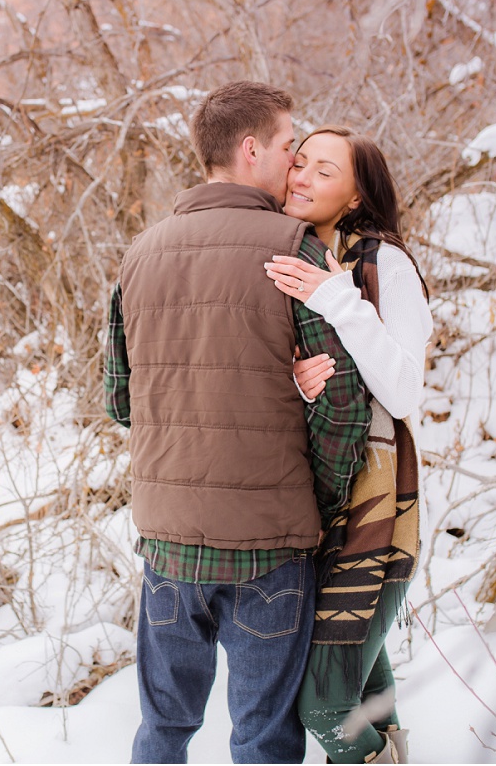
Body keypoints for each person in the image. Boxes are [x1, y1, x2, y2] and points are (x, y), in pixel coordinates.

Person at [104, 82, 372, 764]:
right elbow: (341, 400)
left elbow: (120, 401)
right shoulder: (294, 247)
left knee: (163, 728)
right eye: (289, 146)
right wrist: (319, 498)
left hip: (168, 544)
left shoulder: (140, 254)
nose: (295, 163)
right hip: (270, 549)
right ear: (251, 149)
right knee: (261, 739)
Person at [264, 126, 433, 764]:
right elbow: (342, 386)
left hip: (379, 514)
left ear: (358, 194)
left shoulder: (383, 263)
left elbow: (405, 389)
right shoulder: (304, 255)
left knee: (328, 706)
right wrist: (305, 387)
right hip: (322, 506)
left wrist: (339, 300)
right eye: (299, 162)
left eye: (324, 171)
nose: (302, 176)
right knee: (366, 687)